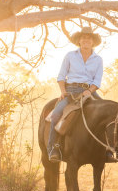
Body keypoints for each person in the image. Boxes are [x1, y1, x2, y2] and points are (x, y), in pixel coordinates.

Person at [47, 27, 110, 163]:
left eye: (89, 38)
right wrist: (63, 91)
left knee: (107, 114)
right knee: (57, 114)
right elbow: (61, 76)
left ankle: (107, 150)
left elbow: (97, 81)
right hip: (71, 91)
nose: (86, 40)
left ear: (93, 42)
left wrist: (89, 91)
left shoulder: (98, 59)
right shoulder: (70, 55)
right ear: (79, 40)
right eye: (83, 37)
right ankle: (54, 148)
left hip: (89, 90)